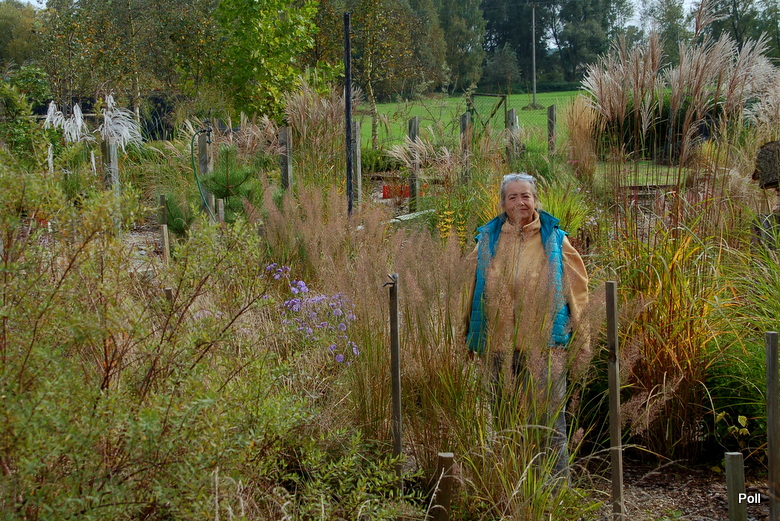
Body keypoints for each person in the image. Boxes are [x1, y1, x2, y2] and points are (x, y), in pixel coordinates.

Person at [463, 172, 589, 479]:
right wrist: (463, 337)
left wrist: (583, 339)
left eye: (525, 196)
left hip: (544, 348)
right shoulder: (487, 241)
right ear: (503, 204)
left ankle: (555, 489)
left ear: (535, 200)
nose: (520, 202)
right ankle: (511, 485)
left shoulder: (555, 240)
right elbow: (467, 292)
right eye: (512, 197)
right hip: (499, 347)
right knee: (505, 421)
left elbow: (577, 291)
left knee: (549, 423)